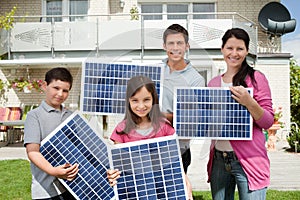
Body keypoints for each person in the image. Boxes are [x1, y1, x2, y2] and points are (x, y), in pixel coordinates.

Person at [206, 28, 274, 200]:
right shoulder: (213, 83)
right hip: (219, 160)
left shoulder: (256, 78)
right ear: (222, 49)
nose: (234, 53)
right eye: (230, 48)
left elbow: (267, 122)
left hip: (250, 160)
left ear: (247, 51)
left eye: (240, 49)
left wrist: (249, 102)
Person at [161, 23, 206, 197]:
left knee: (175, 194)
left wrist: (160, 117)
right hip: (148, 144)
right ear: (164, 46)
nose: (175, 48)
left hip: (177, 148)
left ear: (187, 46)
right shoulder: (154, 71)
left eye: (180, 43)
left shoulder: (195, 80)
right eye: (171, 43)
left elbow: (190, 119)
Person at [24, 67, 79, 200]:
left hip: (71, 187)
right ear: (45, 86)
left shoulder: (71, 117)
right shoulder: (34, 116)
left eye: (65, 90)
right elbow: (33, 152)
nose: (60, 94)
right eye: (56, 88)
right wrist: (53, 171)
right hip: (45, 191)